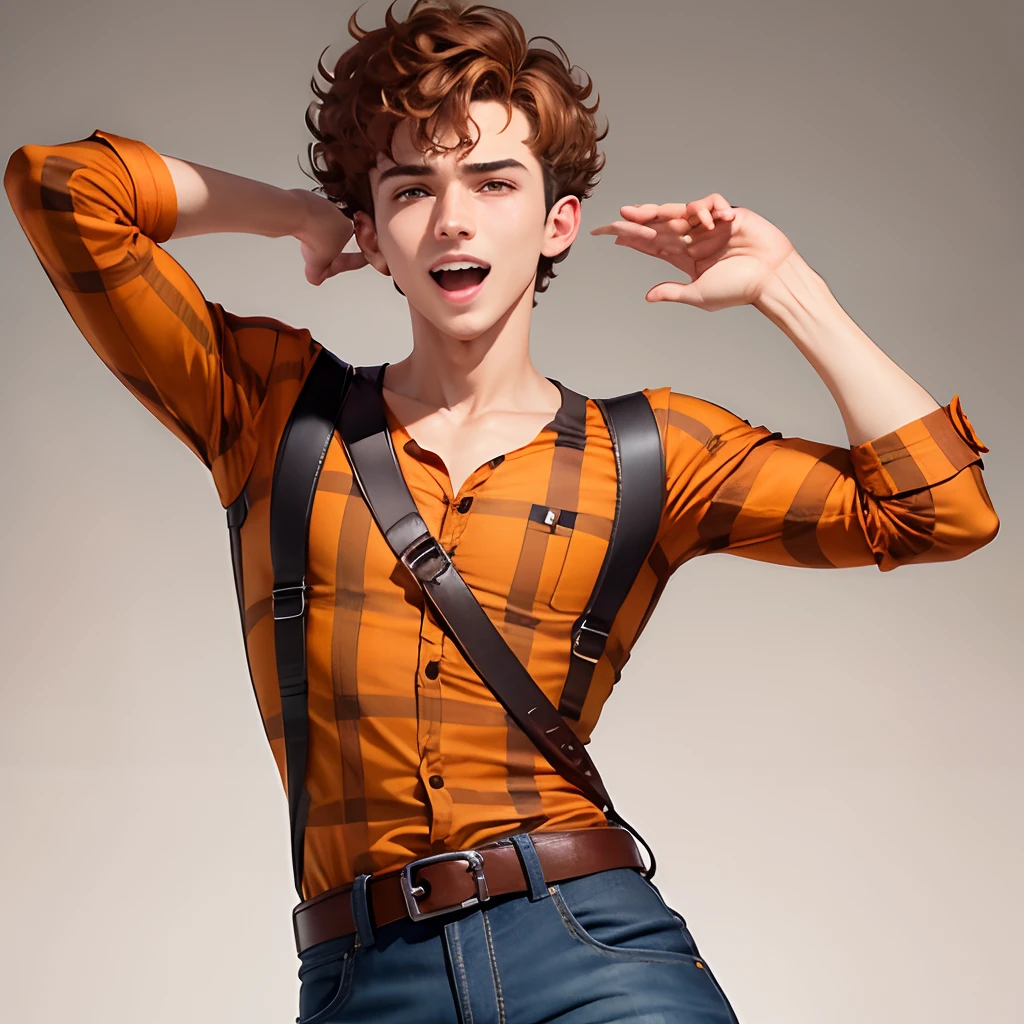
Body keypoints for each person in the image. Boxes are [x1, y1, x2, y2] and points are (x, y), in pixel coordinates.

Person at [4, 1, 999, 1021]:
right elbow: (59, 186)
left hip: (596, 952)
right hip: (365, 978)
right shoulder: (269, 413)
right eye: (410, 190)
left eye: (492, 181)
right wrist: (294, 213)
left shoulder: (651, 454)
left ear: (555, 219)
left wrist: (788, 288)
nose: (452, 220)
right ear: (374, 234)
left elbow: (939, 511)